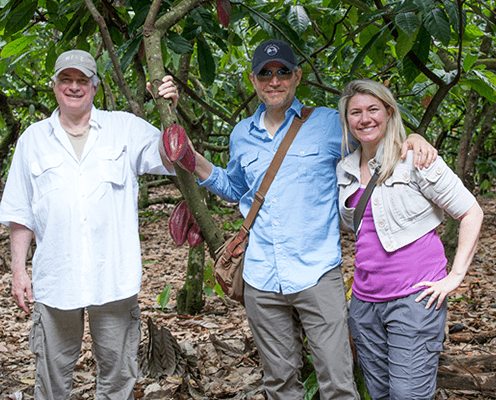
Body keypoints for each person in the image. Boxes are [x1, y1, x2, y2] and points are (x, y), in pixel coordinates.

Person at [191, 39, 437, 399]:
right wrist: (191, 157)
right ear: (253, 80)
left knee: (337, 382)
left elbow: (374, 141)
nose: (274, 81)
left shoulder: (327, 123)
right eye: (265, 74)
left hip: (317, 273)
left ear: (297, 77)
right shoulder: (241, 134)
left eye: (282, 73)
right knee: (279, 382)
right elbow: (235, 187)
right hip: (261, 276)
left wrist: (412, 137)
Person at [0, 49, 178, 400]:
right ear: (54, 86)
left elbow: (174, 157)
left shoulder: (123, 127)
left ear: (95, 87)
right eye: (66, 79)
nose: (74, 87)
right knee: (51, 375)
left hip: (112, 278)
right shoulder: (33, 139)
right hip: (56, 280)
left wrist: (167, 107)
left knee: (118, 374)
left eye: (82, 80)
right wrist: (19, 270)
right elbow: (21, 213)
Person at [336, 79, 483, 399]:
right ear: (347, 120)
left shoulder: (416, 157)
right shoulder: (345, 168)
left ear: (389, 112)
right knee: (381, 394)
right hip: (364, 304)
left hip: (414, 299)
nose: (365, 119)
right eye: (356, 112)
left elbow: (472, 212)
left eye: (373, 109)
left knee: (408, 395)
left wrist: (455, 277)